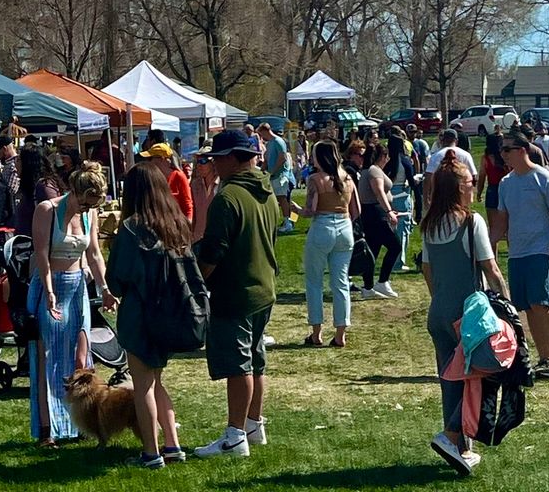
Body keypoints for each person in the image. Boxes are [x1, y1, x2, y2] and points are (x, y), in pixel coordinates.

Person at [194, 129, 282, 459]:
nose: (214, 164)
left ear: (232, 158)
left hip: (236, 292)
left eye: (217, 158)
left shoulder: (228, 198)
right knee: (256, 361)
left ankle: (234, 437)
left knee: (238, 365)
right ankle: (254, 425)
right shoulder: (266, 192)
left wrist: (195, 281)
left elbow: (213, 253)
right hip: (264, 287)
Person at [421, 151, 509, 475]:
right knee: (480, 379)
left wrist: (440, 299)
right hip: (468, 316)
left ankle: (460, 448)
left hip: (439, 312)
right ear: (459, 188)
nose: (474, 188)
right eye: (470, 184)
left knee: (450, 380)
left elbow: (427, 271)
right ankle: (451, 436)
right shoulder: (472, 222)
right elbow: (491, 269)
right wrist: (507, 308)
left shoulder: (429, 225)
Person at [106, 162, 195, 468]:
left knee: (142, 384)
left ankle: (151, 452)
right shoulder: (177, 223)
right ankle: (173, 444)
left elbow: (116, 279)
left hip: (140, 313)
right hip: (171, 312)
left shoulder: (132, 228)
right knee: (156, 381)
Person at [29, 162, 114, 445]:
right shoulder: (47, 211)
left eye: (93, 205)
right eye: (86, 203)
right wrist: (49, 290)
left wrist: (104, 288)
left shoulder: (90, 215)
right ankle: (47, 429)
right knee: (49, 359)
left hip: (78, 288)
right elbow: (41, 253)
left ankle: (80, 424)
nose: (88, 209)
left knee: (81, 360)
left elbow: (94, 254)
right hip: (52, 286)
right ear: (76, 193)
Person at [489, 127, 549, 380]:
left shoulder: (544, 178)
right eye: (501, 149)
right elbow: (501, 222)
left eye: (507, 149)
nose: (502, 154)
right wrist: (486, 250)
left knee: (540, 304)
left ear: (522, 150)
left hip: (541, 250)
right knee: (524, 307)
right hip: (517, 253)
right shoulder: (506, 183)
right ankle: (538, 358)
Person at [298, 140, 359, 348]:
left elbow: (311, 209)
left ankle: (316, 332)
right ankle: (341, 333)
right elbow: (356, 209)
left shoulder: (315, 179)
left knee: (314, 282)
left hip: (322, 226)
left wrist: (296, 210)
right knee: (340, 282)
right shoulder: (348, 177)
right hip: (345, 227)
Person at [354, 140, 401, 300]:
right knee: (395, 245)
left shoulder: (368, 170)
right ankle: (382, 281)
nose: (388, 160)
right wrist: (388, 211)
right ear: (382, 156)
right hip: (375, 213)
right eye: (386, 156)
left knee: (372, 251)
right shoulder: (374, 171)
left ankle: (368, 287)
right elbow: (379, 191)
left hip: (372, 212)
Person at [385, 133, 416, 271]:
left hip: (387, 195)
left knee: (390, 229)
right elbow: (411, 179)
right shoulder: (404, 160)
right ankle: (399, 261)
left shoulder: (385, 161)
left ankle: (391, 259)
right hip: (402, 194)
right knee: (402, 229)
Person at [258, 122, 295, 235]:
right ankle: (289, 221)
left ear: (265, 131)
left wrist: (272, 171)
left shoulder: (278, 141)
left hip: (282, 176)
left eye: (261, 133)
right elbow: (267, 159)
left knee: (283, 199)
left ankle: (289, 222)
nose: (261, 136)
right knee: (283, 200)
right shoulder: (269, 144)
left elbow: (282, 158)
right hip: (274, 176)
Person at [147, 143, 194, 222]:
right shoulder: (152, 177)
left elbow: (188, 206)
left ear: (162, 159)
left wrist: (188, 225)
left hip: (177, 226)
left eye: (151, 158)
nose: (149, 162)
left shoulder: (179, 176)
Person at [424, 129, 476, 196]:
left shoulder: (435, 156)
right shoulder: (466, 155)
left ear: (443, 140)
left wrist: (426, 198)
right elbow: (473, 176)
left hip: (440, 194)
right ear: (456, 141)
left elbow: (428, 177)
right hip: (460, 193)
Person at [476, 131, 508, 226]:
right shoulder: (506, 156)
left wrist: (479, 192)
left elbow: (482, 176)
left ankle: (493, 240)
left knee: (493, 223)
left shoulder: (486, 158)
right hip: (506, 189)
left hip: (492, 189)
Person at [14, 146, 46, 236]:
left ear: (28, 163)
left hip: (35, 246)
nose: (15, 164)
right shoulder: (27, 188)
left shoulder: (41, 188)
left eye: (19, 160)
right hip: (23, 245)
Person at [190, 146, 219, 244]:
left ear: (213, 163)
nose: (199, 165)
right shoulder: (194, 185)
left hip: (216, 241)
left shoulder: (222, 185)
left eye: (203, 161)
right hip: (197, 240)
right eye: (197, 162)